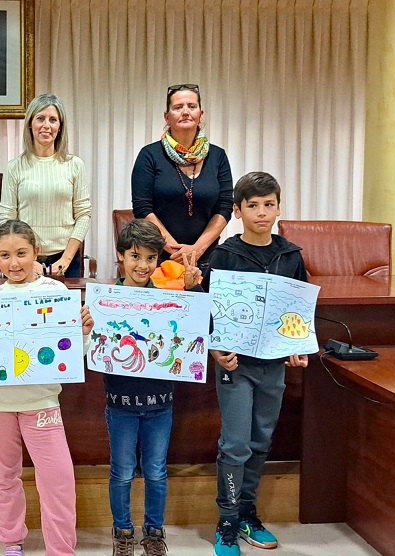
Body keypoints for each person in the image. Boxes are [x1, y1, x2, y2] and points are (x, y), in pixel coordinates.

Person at [0, 219, 94, 556]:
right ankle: (12, 541)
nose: (14, 263)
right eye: (5, 255)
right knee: (3, 475)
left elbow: (73, 354)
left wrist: (82, 332)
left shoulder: (56, 294)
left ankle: (61, 549)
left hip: (40, 400)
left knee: (57, 479)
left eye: (22, 253)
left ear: (37, 253)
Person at [208, 172, 308, 556]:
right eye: (252, 205)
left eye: (268, 205)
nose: (261, 213)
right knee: (235, 445)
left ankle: (248, 513)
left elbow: (298, 311)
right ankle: (227, 522)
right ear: (237, 211)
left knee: (260, 441)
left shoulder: (291, 255)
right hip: (235, 366)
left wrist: (298, 346)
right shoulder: (225, 254)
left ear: (279, 208)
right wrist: (216, 348)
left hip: (273, 367)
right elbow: (212, 311)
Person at [106, 220, 202, 556]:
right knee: (121, 472)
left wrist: (191, 291)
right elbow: (94, 347)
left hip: (161, 402)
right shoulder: (108, 301)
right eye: (135, 256)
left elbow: (199, 327)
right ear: (121, 256)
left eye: (151, 258)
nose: (143, 265)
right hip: (120, 404)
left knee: (157, 472)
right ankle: (122, 531)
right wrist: (89, 325)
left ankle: (153, 531)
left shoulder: (169, 300)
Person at [131, 83, 233, 281]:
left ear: (201, 115)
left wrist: (197, 249)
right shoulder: (149, 155)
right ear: (167, 117)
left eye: (191, 106)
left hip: (207, 258)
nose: (185, 112)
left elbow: (225, 207)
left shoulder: (218, 156)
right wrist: (173, 249)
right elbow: (143, 208)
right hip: (159, 258)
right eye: (178, 107)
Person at [0, 94, 92, 278]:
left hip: (67, 261)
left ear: (60, 126)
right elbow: (8, 218)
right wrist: (30, 259)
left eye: (53, 120)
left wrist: (65, 260)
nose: (46, 125)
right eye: (40, 118)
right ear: (30, 124)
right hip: (25, 261)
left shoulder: (75, 165)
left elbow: (83, 214)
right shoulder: (14, 167)